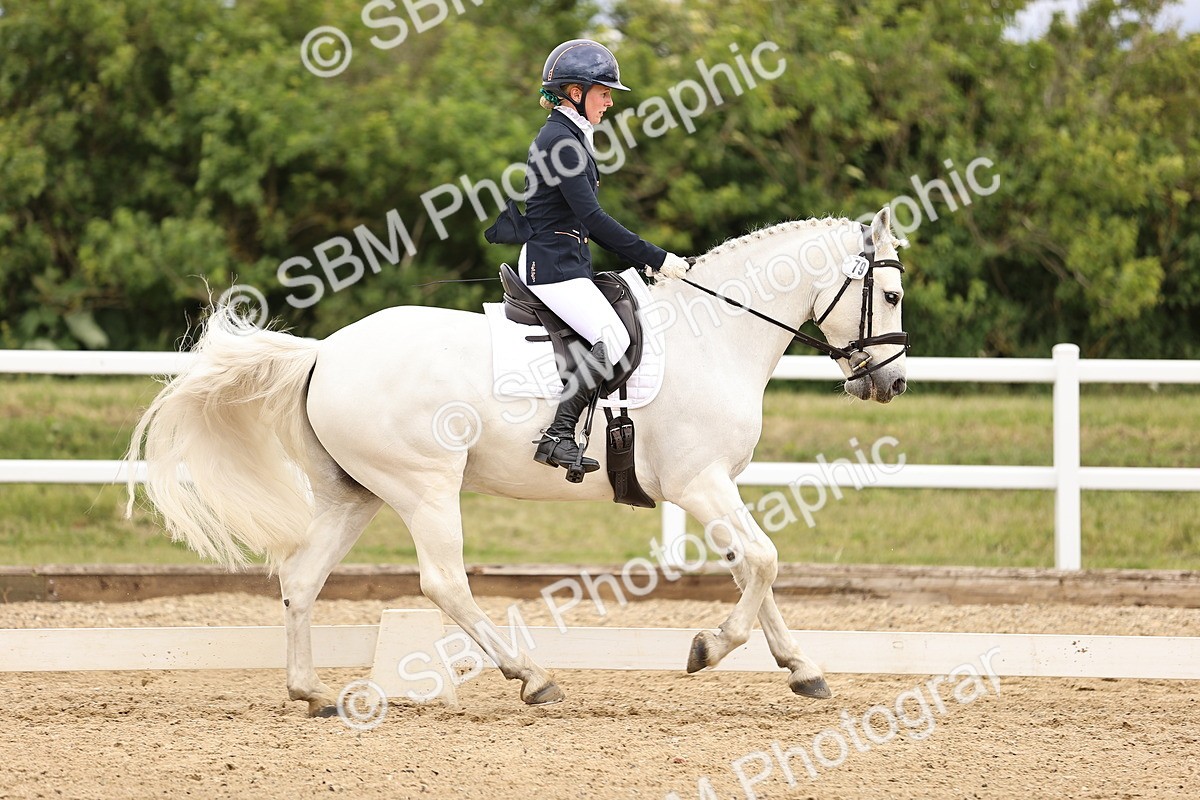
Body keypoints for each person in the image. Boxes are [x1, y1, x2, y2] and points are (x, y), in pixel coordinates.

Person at [488, 38, 690, 478]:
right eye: (604, 92)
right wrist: (654, 258)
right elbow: (592, 218)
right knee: (613, 339)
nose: (611, 101)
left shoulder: (568, 136)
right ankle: (558, 435)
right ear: (575, 93)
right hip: (553, 268)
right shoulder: (561, 142)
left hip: (565, 262)